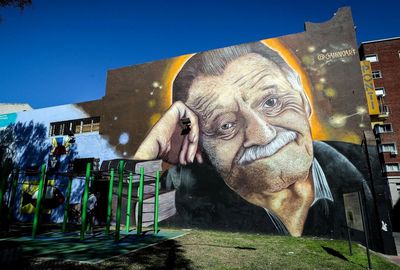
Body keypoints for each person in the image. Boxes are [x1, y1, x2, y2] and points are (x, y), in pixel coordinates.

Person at [134, 41, 373, 237]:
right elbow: (125, 219)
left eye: (271, 102)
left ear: (303, 101)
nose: (263, 135)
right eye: (225, 125)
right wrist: (152, 155)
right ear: (200, 146)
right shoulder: (183, 196)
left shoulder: (367, 165)